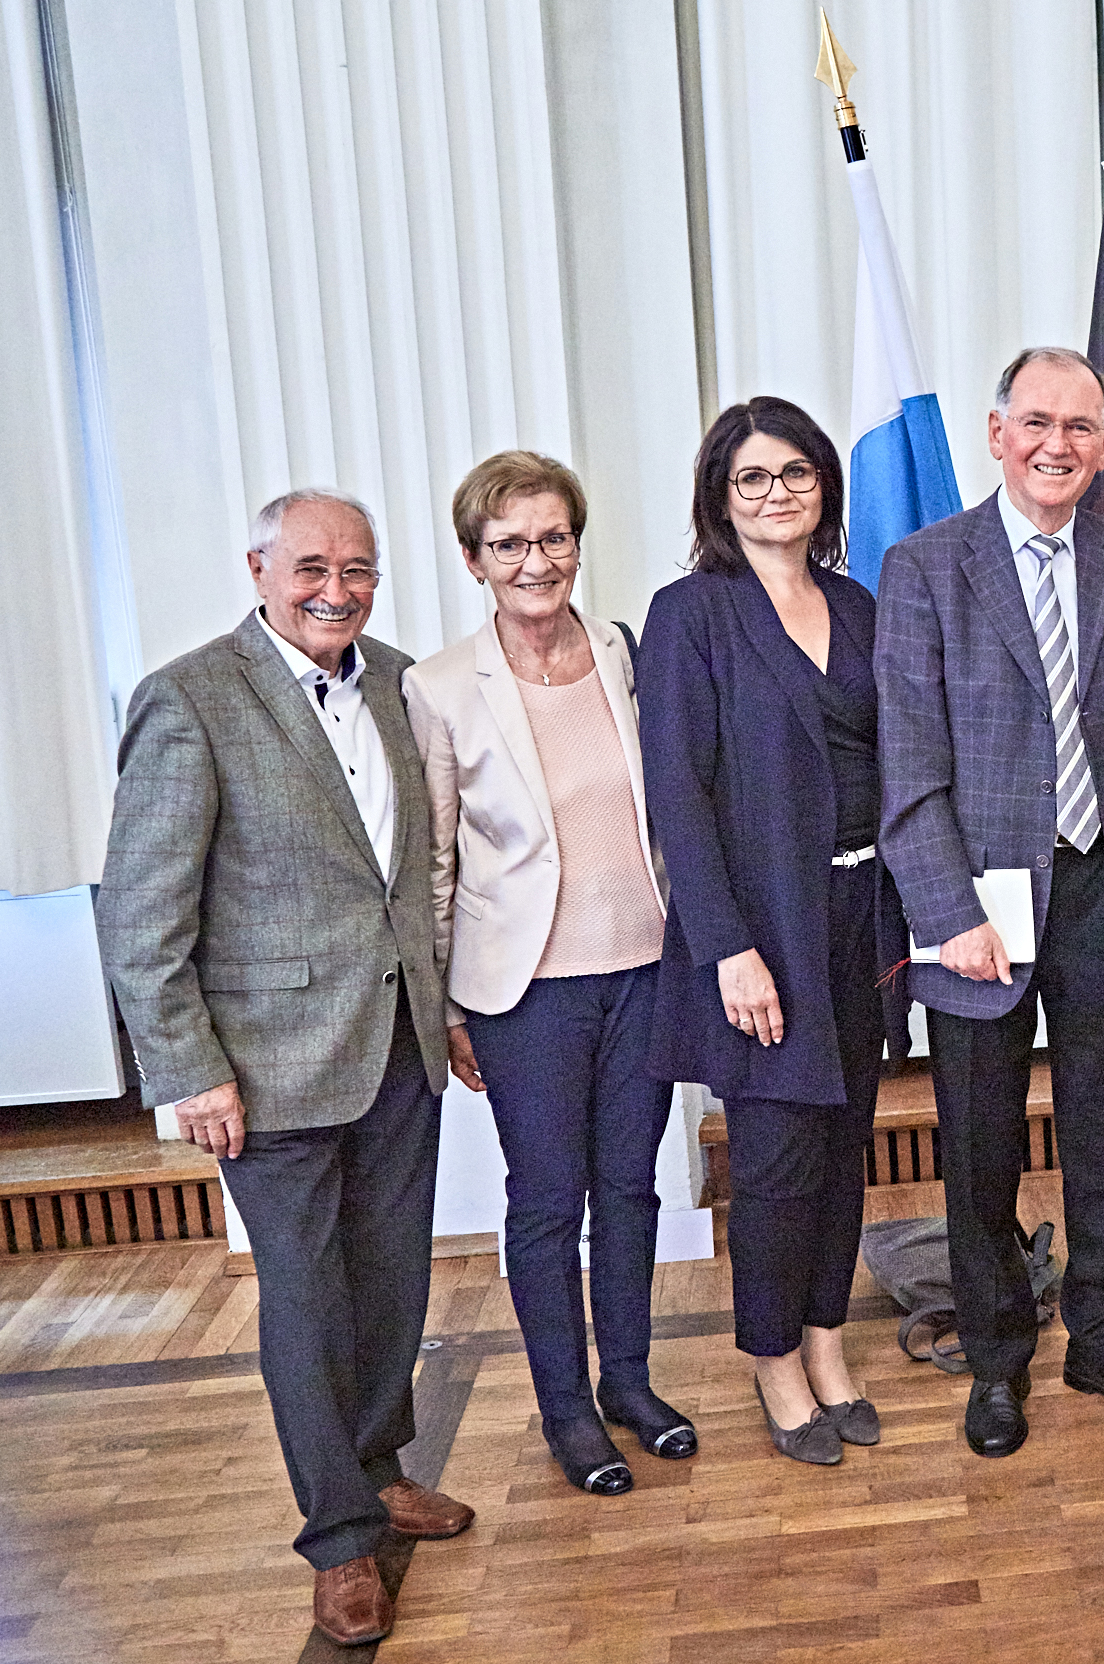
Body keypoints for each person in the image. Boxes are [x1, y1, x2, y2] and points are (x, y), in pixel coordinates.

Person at [96, 488, 473, 1647]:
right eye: (312, 565)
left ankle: (375, 1465)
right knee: (307, 1303)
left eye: (358, 569)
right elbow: (142, 913)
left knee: (391, 1278)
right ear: (257, 566)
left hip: (397, 1047)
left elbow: (412, 872)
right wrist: (188, 1069)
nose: (336, 588)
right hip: (265, 1069)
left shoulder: (406, 681)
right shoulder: (191, 697)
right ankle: (341, 1540)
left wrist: (448, 1006)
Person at [875, 346, 1104, 1458]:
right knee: (980, 1143)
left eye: (1082, 428)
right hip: (978, 902)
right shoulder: (924, 564)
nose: (1059, 445)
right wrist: (945, 910)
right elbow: (907, 760)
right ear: (996, 433)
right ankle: (995, 1355)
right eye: (1037, 423)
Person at [404, 451, 693, 1498]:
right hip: (523, 988)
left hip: (645, 967)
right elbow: (436, 859)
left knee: (631, 1185)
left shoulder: (621, 649)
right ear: (475, 559)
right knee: (545, 1199)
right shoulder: (438, 687)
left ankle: (628, 1381)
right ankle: (565, 1410)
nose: (537, 560)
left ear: (578, 540)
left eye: (554, 537)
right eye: (511, 543)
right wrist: (446, 1007)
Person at [642, 397, 901, 1466]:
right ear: (719, 495)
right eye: (751, 477)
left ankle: (828, 1340)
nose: (775, 493)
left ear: (823, 488)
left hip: (862, 918)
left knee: (845, 1152)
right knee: (779, 1158)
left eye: (794, 472)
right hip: (765, 931)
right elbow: (678, 797)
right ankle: (773, 1362)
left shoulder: (861, 602)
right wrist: (728, 948)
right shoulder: (690, 613)